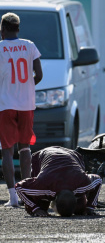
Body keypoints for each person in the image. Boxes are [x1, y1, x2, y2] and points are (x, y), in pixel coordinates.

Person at [0, 12, 43, 207]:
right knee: (25, 148)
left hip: (6, 105)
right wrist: (27, 87)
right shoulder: (29, 45)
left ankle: (12, 198)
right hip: (26, 105)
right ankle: (27, 193)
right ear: (18, 28)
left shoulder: (0, 48)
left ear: (3, 29)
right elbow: (39, 74)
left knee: (7, 151)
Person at [15, 146, 102, 217]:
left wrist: (90, 207)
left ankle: (80, 207)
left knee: (81, 210)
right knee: (41, 207)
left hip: (72, 155)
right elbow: (19, 187)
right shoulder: (43, 184)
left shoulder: (82, 182)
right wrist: (34, 208)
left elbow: (98, 180)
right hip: (43, 155)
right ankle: (39, 206)